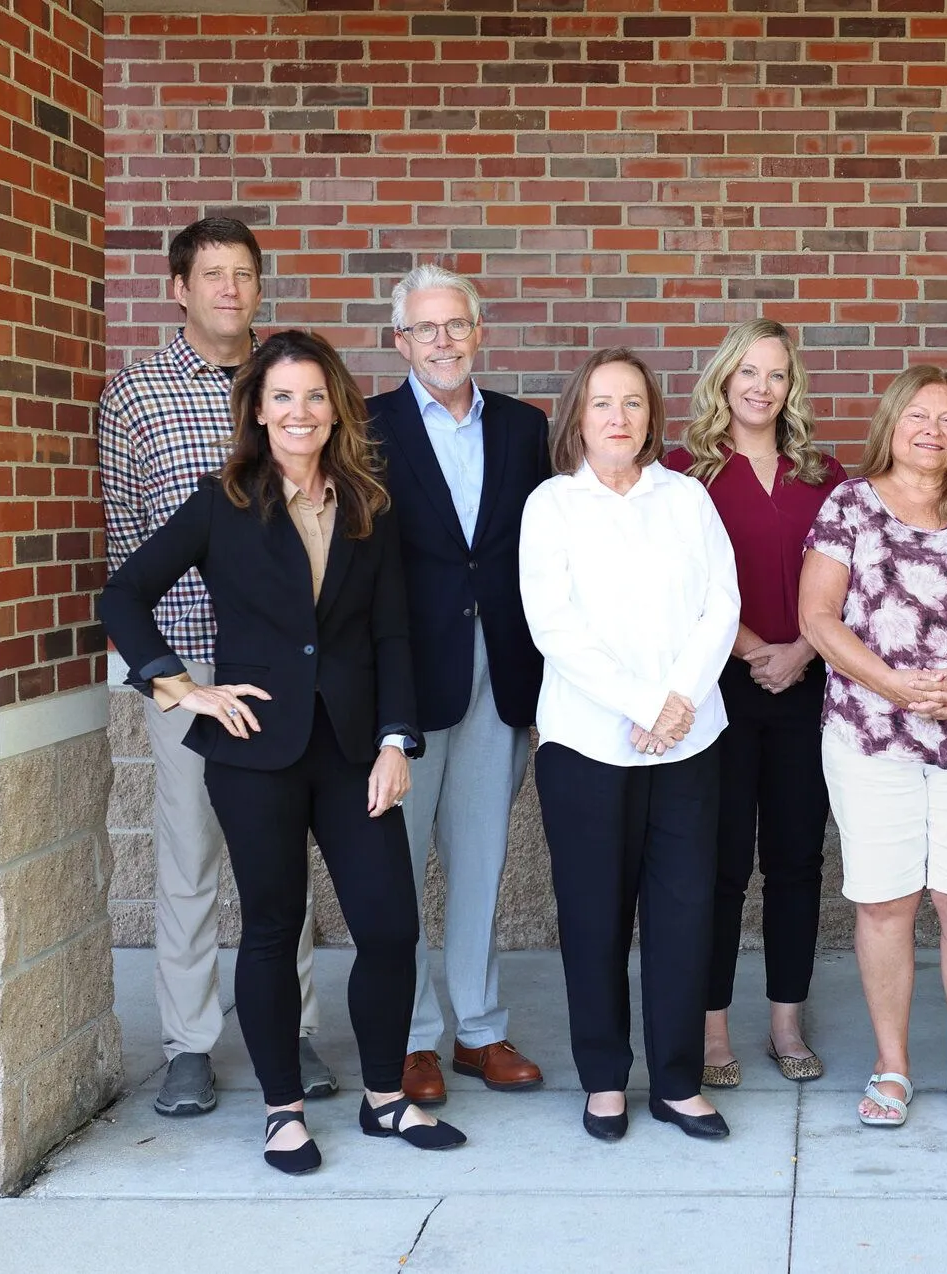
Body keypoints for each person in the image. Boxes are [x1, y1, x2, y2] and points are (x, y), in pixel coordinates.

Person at [100, 330, 464, 1174]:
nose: (299, 412)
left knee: (389, 926)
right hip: (253, 748)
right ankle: (283, 1112)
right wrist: (180, 686)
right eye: (281, 398)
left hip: (351, 750)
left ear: (334, 406)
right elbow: (123, 593)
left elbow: (392, 633)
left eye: (313, 396)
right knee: (270, 926)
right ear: (257, 412)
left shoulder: (368, 503)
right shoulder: (221, 500)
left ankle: (383, 1100)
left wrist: (395, 740)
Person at [97, 218, 332, 1119]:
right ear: (179, 288)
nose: (231, 289)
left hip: (281, 664)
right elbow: (126, 536)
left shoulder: (290, 384)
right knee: (190, 851)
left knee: (283, 860)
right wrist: (164, 672)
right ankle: (190, 1042)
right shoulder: (138, 394)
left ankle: (296, 1028)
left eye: (245, 274)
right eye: (213, 275)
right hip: (189, 664)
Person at [800, 365, 947, 1129]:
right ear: (890, 424)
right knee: (885, 901)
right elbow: (818, 616)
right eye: (917, 417)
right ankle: (892, 1065)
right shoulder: (849, 504)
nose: (932, 432)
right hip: (872, 735)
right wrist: (894, 687)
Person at [519, 348, 741, 1143]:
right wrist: (646, 702)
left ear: (653, 416)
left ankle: (678, 1082)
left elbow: (722, 604)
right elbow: (556, 628)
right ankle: (605, 1080)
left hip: (688, 744)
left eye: (634, 404)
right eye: (603, 403)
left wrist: (675, 705)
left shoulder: (685, 499)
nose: (619, 418)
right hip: (585, 745)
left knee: (683, 914)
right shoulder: (551, 506)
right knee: (593, 918)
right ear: (579, 415)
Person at [367, 265, 551, 1105]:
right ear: (398, 340)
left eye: (456, 326)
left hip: (500, 669)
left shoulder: (523, 427)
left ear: (479, 332)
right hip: (402, 672)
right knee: (395, 866)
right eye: (424, 329)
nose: (441, 341)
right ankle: (409, 1041)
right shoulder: (364, 429)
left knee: (481, 857)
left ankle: (478, 1030)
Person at [667, 320, 846, 1089]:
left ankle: (784, 1019)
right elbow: (682, 587)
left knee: (796, 860)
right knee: (719, 863)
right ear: (721, 380)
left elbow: (849, 580)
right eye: (746, 372)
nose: (760, 387)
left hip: (809, 686)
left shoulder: (824, 473)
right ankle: (711, 1030)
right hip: (720, 690)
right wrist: (751, 652)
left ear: (790, 388)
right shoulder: (683, 472)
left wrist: (803, 649)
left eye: (775, 375)